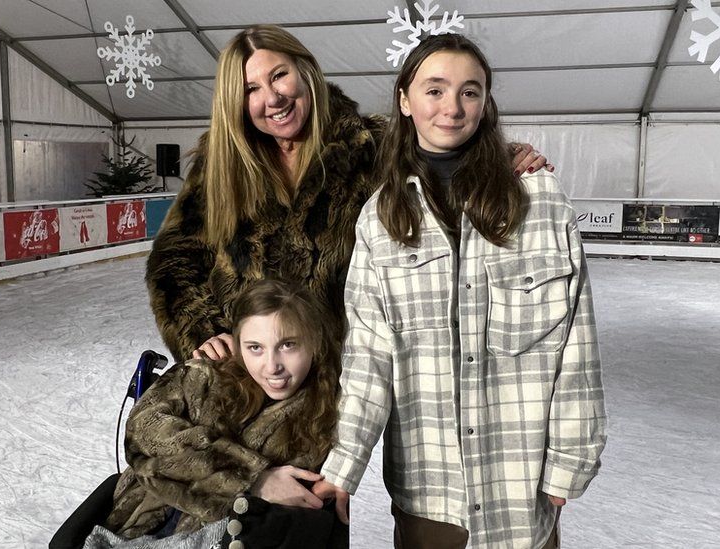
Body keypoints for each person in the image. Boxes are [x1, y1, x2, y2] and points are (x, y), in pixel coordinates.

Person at [313, 34, 607, 549]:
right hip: (429, 488)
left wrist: (569, 457)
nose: (452, 107)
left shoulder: (538, 199)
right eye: (435, 89)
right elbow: (368, 359)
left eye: (470, 92)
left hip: (519, 483)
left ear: (486, 103)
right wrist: (343, 466)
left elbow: (577, 343)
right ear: (405, 100)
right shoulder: (379, 221)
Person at [144, 25, 550, 364]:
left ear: (305, 71)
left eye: (279, 75)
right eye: (251, 88)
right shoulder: (220, 163)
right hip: (246, 363)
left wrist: (501, 156)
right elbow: (174, 259)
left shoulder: (371, 143)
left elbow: (442, 150)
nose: (272, 98)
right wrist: (202, 330)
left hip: (333, 367)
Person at [93, 279, 341, 545]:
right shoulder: (208, 374)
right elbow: (144, 430)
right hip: (136, 527)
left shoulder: (330, 413)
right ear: (237, 343)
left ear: (314, 343)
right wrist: (250, 478)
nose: (272, 366)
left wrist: (184, 467)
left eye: (288, 345)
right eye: (255, 347)